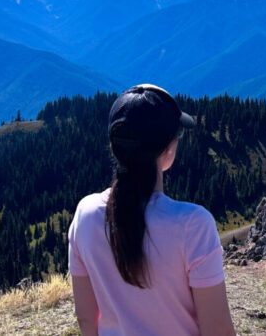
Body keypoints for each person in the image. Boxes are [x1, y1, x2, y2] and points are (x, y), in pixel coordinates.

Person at [68, 84, 235, 336]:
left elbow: (86, 319)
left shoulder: (85, 214)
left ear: (115, 148)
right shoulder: (194, 225)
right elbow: (219, 330)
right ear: (168, 148)